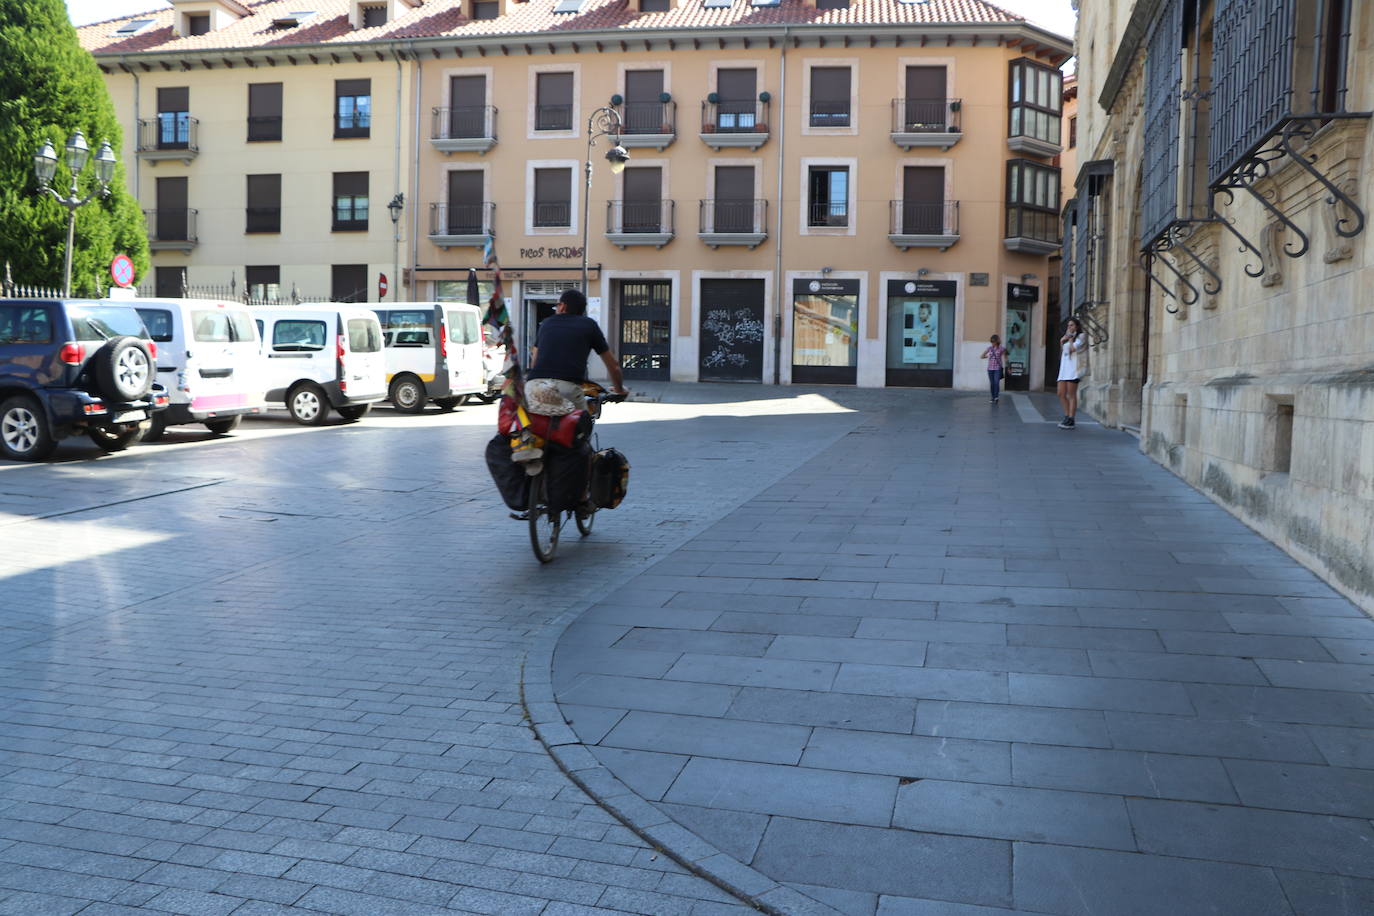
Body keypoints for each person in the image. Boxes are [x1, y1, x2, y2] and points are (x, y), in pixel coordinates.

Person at [526, 289, 626, 412]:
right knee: (582, 423)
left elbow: (534, 361)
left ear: (563, 306)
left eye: (557, 305)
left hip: (534, 385)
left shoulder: (546, 324)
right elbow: (613, 366)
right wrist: (619, 390)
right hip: (568, 388)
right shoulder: (589, 325)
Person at [1056, 317, 1087, 429]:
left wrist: (1069, 339)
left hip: (1074, 369)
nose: (1069, 327)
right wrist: (1061, 341)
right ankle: (1066, 415)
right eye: (1068, 325)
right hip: (1064, 369)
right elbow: (1064, 352)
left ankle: (1071, 418)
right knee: (1060, 393)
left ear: (1077, 326)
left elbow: (1072, 349)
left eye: (1072, 325)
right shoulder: (1067, 337)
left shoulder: (1081, 337)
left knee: (1071, 395)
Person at [980, 334, 1008, 402]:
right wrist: (987, 356)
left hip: (997, 368)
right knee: (992, 383)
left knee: (996, 382)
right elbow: (981, 356)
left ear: (997, 341)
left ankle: (996, 397)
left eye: (993, 341)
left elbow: (1006, 357)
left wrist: (1008, 366)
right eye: (991, 341)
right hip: (990, 369)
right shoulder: (989, 348)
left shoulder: (1002, 348)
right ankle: (992, 397)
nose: (992, 343)